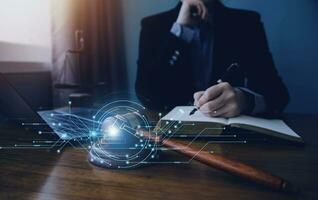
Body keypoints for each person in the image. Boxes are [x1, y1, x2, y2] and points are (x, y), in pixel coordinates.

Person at [135, 0, 289, 117]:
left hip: (233, 139)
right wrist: (179, 33)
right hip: (172, 138)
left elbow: (278, 95)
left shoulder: (246, 24)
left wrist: (245, 101)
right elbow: (146, 94)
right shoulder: (153, 26)